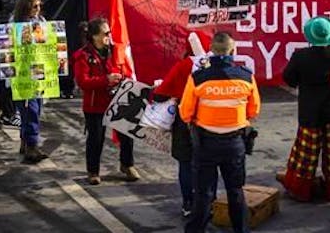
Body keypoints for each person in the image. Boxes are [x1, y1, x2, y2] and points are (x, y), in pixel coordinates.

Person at [180, 32, 261, 233]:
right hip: (235, 143)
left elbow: (186, 112)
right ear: (233, 51)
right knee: (235, 191)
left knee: (204, 193)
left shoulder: (198, 78)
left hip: (206, 143)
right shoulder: (246, 77)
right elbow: (254, 110)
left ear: (211, 51)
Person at [278, 17, 330, 202]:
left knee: (305, 156)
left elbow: (289, 78)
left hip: (310, 112)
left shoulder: (301, 56)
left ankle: (300, 190)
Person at [149, 30, 216, 217]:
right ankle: (210, 202)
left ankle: (188, 204)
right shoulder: (215, 65)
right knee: (208, 164)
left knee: (186, 164)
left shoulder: (183, 66)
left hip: (184, 122)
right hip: (210, 121)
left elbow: (160, 93)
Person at [72, 17, 138, 185]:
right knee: (96, 138)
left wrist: (121, 78)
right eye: (106, 33)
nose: (109, 35)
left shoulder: (115, 51)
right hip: (95, 104)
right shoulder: (83, 56)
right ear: (94, 36)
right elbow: (83, 82)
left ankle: (127, 164)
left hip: (117, 99)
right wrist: (106, 80)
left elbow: (125, 69)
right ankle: (93, 171)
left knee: (127, 132)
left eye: (109, 32)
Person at [12, 0, 50, 164]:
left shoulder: (40, 22)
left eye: (39, 5)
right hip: (22, 72)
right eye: (34, 6)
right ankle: (31, 145)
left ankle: (25, 141)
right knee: (30, 108)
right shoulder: (16, 23)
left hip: (38, 70)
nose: (37, 9)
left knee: (37, 107)